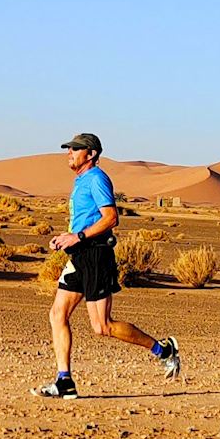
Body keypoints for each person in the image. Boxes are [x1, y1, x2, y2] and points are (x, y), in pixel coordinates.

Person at [32, 133, 180, 399]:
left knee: (102, 327)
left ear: (90, 154)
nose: (70, 153)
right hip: (78, 256)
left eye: (76, 149)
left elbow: (111, 217)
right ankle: (64, 380)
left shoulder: (97, 178)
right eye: (70, 149)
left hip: (95, 256)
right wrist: (67, 238)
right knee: (57, 314)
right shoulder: (81, 181)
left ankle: (163, 350)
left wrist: (77, 236)